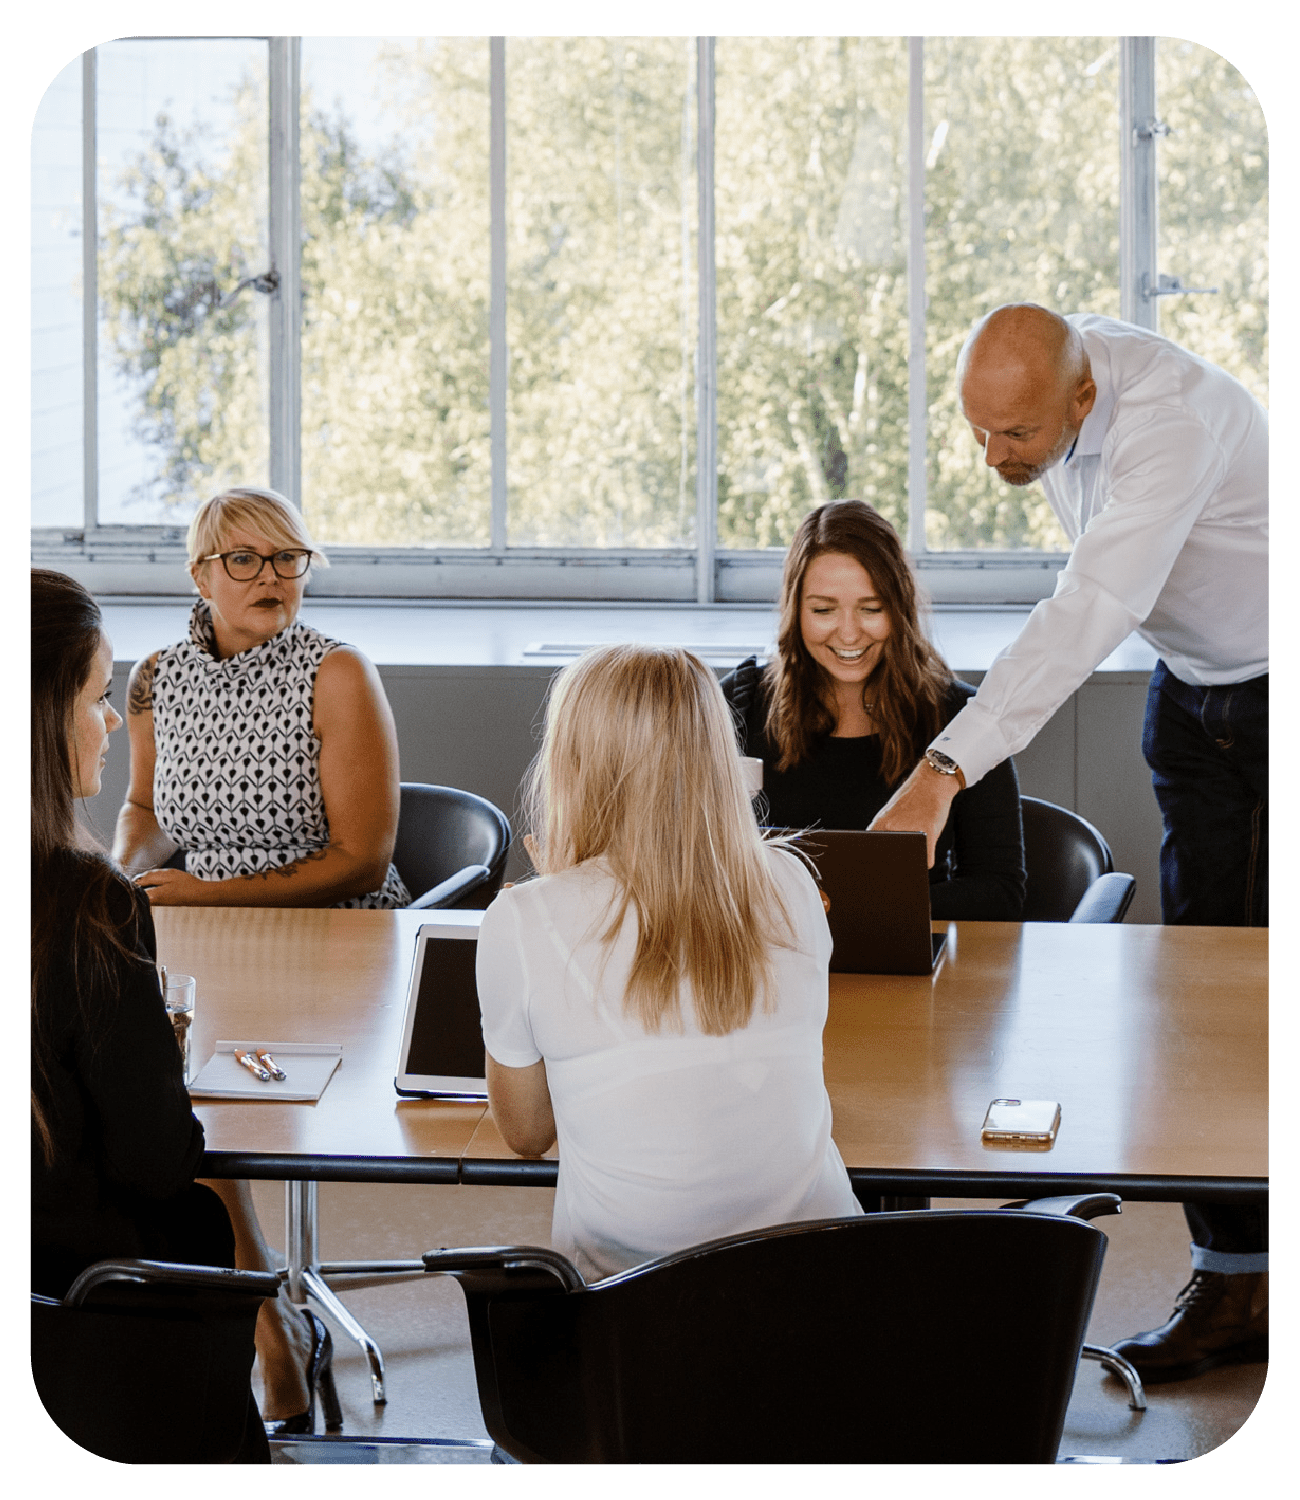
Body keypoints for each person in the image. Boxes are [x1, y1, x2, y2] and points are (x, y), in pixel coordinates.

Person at [873, 304, 1268, 1381]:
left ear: (1082, 401)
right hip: (1189, 694)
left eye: (1015, 439)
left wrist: (941, 772)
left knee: (1252, 1004)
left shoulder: (1168, 422)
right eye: (977, 431)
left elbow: (1089, 604)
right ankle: (1238, 1283)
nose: (992, 458)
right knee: (1199, 1000)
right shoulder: (1051, 371)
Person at [476, 645, 862, 1283]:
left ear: (572, 762)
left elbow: (527, 1134)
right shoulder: (793, 882)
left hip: (634, 1318)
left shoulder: (523, 921)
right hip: (817, 1290)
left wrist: (559, 891)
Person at [29, 569, 270, 1463]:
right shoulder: (87, 903)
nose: (112, 722)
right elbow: (157, 1160)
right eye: (97, 697)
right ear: (46, 715)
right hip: (85, 1327)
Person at [720, 500, 1025, 920]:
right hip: (770, 965)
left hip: (909, 968)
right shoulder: (739, 703)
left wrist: (858, 911)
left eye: (871, 609)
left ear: (899, 609)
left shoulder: (964, 722)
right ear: (795, 609)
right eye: (823, 610)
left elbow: (1000, 892)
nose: (848, 633)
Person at [112, 485, 409, 910]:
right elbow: (145, 808)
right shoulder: (156, 675)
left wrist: (210, 897)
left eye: (287, 557)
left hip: (340, 929)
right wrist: (119, 875)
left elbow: (363, 863)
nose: (270, 576)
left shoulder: (338, 671)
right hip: (206, 927)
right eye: (243, 559)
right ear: (201, 578)